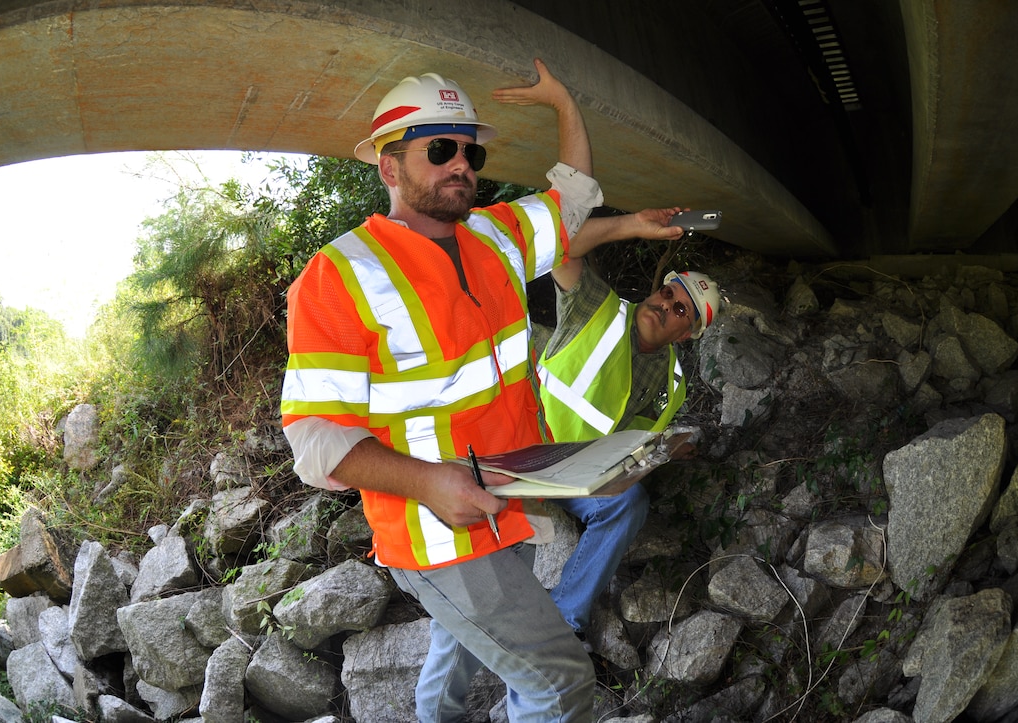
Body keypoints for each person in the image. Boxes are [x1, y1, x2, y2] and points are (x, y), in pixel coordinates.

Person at [280, 58, 683, 722]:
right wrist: (430, 482)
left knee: (464, 648)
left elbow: (574, 203)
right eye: (440, 150)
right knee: (558, 682)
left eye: (469, 150)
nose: (462, 163)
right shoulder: (340, 274)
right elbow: (315, 437)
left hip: (508, 507)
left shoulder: (494, 235)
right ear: (389, 167)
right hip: (440, 535)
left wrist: (564, 103)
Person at [537, 236, 722, 650]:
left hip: (578, 476)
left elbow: (631, 437)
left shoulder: (671, 380)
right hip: (529, 451)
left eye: (679, 310)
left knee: (630, 503)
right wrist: (633, 224)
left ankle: (563, 618)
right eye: (667, 292)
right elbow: (560, 245)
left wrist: (668, 450)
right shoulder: (596, 309)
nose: (663, 304)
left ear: (686, 334)